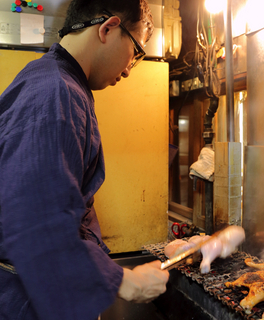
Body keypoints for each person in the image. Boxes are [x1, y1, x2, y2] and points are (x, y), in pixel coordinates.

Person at [0, 0, 169, 319]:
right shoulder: (56, 93)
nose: (130, 69)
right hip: (25, 300)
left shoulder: (47, 77)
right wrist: (122, 280)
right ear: (108, 28)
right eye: (135, 52)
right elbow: (36, 219)